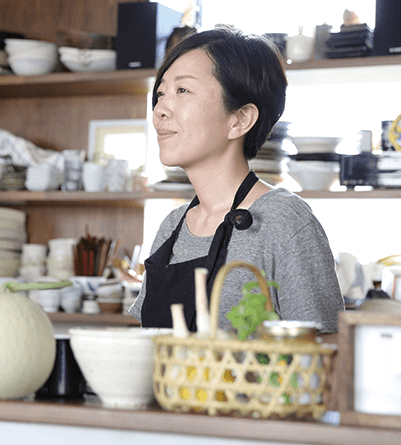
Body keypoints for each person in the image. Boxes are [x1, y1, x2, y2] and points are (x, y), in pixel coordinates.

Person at [128, 26, 344, 335]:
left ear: (240, 119)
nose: (160, 109)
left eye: (183, 90)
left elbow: (326, 349)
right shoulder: (172, 227)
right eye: (160, 93)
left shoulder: (284, 221)